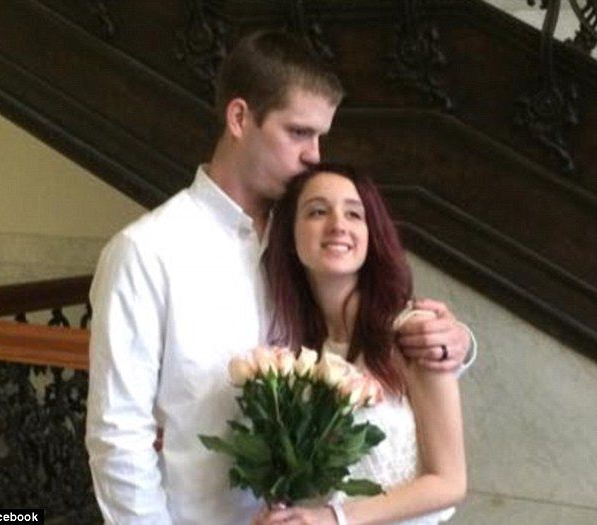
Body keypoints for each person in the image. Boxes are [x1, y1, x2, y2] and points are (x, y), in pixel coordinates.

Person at [86, 30, 473, 525]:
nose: (314, 154)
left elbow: (364, 335)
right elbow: (118, 435)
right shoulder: (147, 251)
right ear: (239, 118)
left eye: (320, 136)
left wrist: (454, 342)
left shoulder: (304, 242)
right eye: (299, 132)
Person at [254, 164, 466, 525]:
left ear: (371, 234)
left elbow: (449, 482)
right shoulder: (294, 351)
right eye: (317, 212)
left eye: (354, 214)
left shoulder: (412, 332)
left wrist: (334, 518)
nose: (338, 225)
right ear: (290, 235)